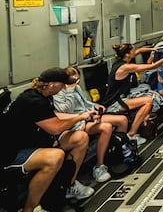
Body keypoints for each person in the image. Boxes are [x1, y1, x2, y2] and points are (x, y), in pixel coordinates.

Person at [4, 67, 96, 210]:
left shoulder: (44, 96)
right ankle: (29, 209)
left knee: (80, 138)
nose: (65, 86)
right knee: (55, 157)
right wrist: (79, 117)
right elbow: (56, 128)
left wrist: (85, 115)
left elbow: (54, 117)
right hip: (11, 153)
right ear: (52, 84)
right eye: (63, 83)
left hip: (33, 142)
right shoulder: (32, 100)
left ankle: (68, 186)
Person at [53, 66, 129, 182]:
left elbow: (84, 102)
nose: (77, 82)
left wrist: (96, 106)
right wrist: (70, 90)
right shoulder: (59, 92)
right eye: (75, 80)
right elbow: (65, 110)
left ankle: (117, 151)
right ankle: (99, 166)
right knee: (106, 127)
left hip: (88, 115)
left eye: (78, 79)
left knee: (122, 120)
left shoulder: (76, 87)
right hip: (76, 122)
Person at [102, 43, 163, 146]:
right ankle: (131, 134)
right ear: (127, 54)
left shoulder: (121, 60)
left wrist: (153, 49)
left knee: (149, 100)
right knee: (148, 100)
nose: (135, 52)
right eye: (133, 51)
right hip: (114, 102)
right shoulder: (125, 67)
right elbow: (152, 66)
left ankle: (138, 126)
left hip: (122, 97)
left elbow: (139, 50)